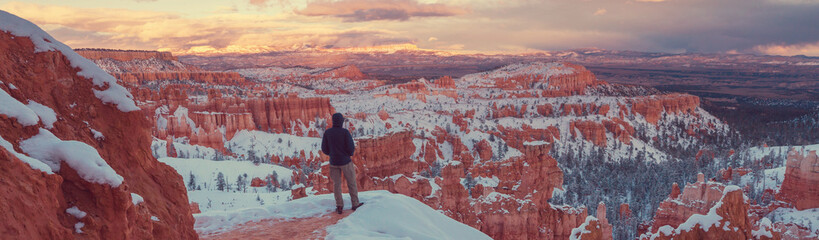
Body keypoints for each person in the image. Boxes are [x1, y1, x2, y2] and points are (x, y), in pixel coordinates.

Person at [321, 113, 363, 214]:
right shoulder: (345, 132)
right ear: (341, 121)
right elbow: (350, 147)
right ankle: (355, 203)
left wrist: (331, 154)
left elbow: (324, 149)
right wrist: (348, 154)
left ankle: (339, 206)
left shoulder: (328, 132)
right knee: (351, 182)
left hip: (333, 162)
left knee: (336, 185)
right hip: (345, 162)